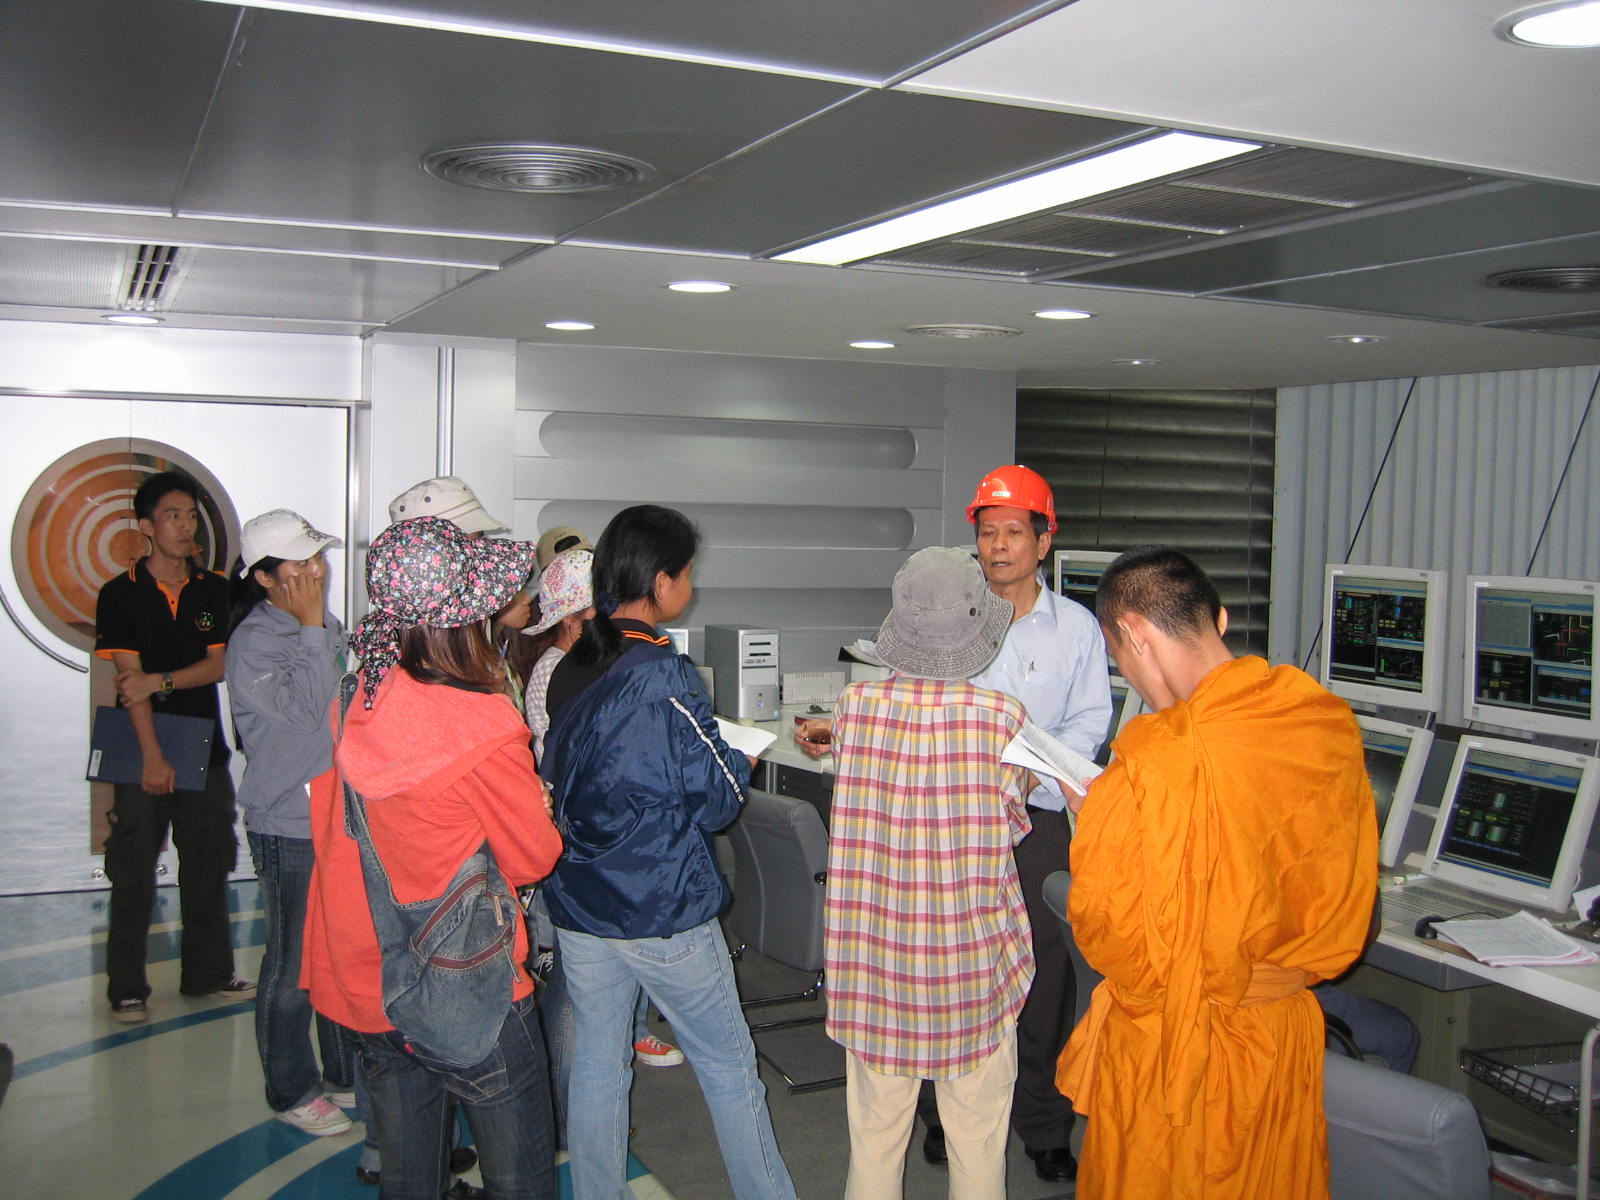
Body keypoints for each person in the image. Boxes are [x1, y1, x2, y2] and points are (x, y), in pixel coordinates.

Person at [797, 464, 1111, 1182]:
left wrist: (1028, 772)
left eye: (1012, 532)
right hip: (959, 857)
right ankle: (949, 1117)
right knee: (975, 1076)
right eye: (987, 533)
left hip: (1005, 838)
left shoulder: (1073, 630)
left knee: (1040, 984)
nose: (997, 545)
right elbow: (950, 746)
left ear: (1043, 540)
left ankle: (1044, 1122)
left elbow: (1089, 723)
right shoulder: (989, 699)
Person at [1055, 546, 1377, 1199]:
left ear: (1134, 635)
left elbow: (1114, 938)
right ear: (1220, 619)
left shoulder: (1155, 759)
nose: (1126, 673)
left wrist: (1101, 820)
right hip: (1280, 1038)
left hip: (1174, 1052)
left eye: (1118, 656)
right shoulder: (1321, 720)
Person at [539, 504, 797, 1200]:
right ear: (661, 582)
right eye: (686, 572)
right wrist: (737, 760)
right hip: (659, 905)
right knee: (729, 1067)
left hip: (580, 898)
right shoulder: (664, 675)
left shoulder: (570, 666)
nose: (690, 584)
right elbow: (716, 800)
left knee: (598, 1064)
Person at [302, 516, 563, 1200]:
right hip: (468, 987)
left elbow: (341, 840)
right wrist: (531, 803)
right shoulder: (482, 722)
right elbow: (533, 858)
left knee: (409, 1177)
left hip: (372, 977)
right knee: (520, 1181)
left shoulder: (355, 696)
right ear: (465, 618)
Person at [824, 546, 1034, 1200]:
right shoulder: (1002, 719)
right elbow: (1011, 824)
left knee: (874, 1139)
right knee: (978, 1142)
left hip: (874, 965)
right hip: (968, 965)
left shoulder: (854, 707)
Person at [94, 470, 253, 1023]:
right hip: (142, 747)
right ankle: (127, 988)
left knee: (208, 862)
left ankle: (208, 974)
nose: (186, 527)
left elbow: (216, 665)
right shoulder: (120, 593)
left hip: (202, 746)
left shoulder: (212, 589)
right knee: (133, 869)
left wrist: (161, 681)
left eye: (190, 516)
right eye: (172, 516)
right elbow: (128, 683)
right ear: (146, 526)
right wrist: (153, 756)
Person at [225, 508, 354, 1136]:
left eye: (317, 558)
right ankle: (291, 1089)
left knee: (336, 950)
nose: (316, 571)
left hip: (333, 810)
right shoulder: (255, 642)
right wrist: (310, 628)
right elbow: (305, 714)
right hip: (287, 822)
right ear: (265, 577)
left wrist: (315, 628)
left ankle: (342, 1072)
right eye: (300, 562)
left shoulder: (321, 626)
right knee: (290, 961)